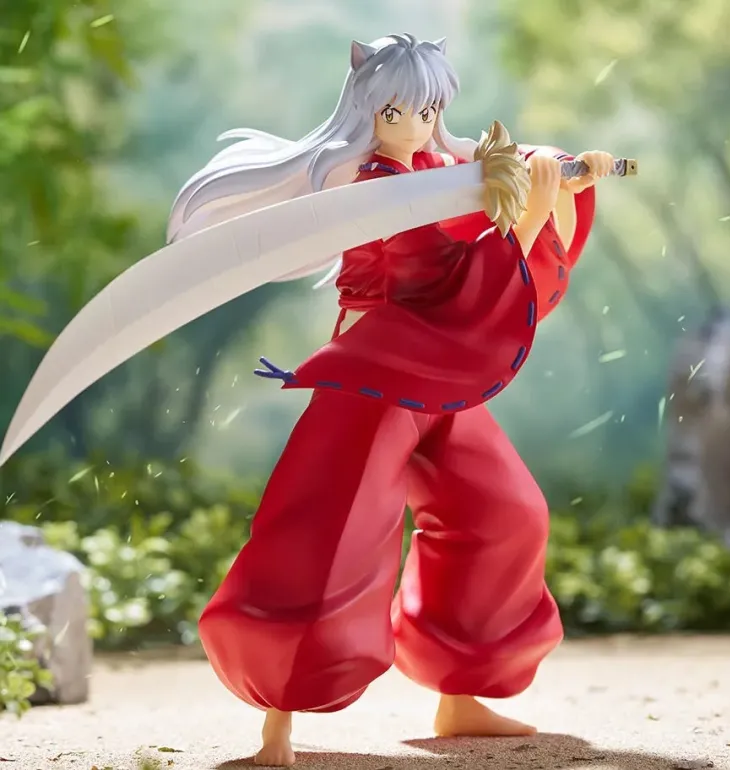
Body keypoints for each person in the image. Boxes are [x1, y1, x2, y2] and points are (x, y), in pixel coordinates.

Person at [168, 33, 614, 767]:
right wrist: (527, 213)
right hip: (377, 368)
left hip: (438, 370)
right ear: (368, 110)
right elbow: (443, 273)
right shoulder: (371, 186)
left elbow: (480, 197)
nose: (415, 125)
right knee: (332, 530)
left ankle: (461, 691)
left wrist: (564, 179)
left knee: (502, 513)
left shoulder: (432, 169)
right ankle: (279, 715)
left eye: (429, 111)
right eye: (398, 112)